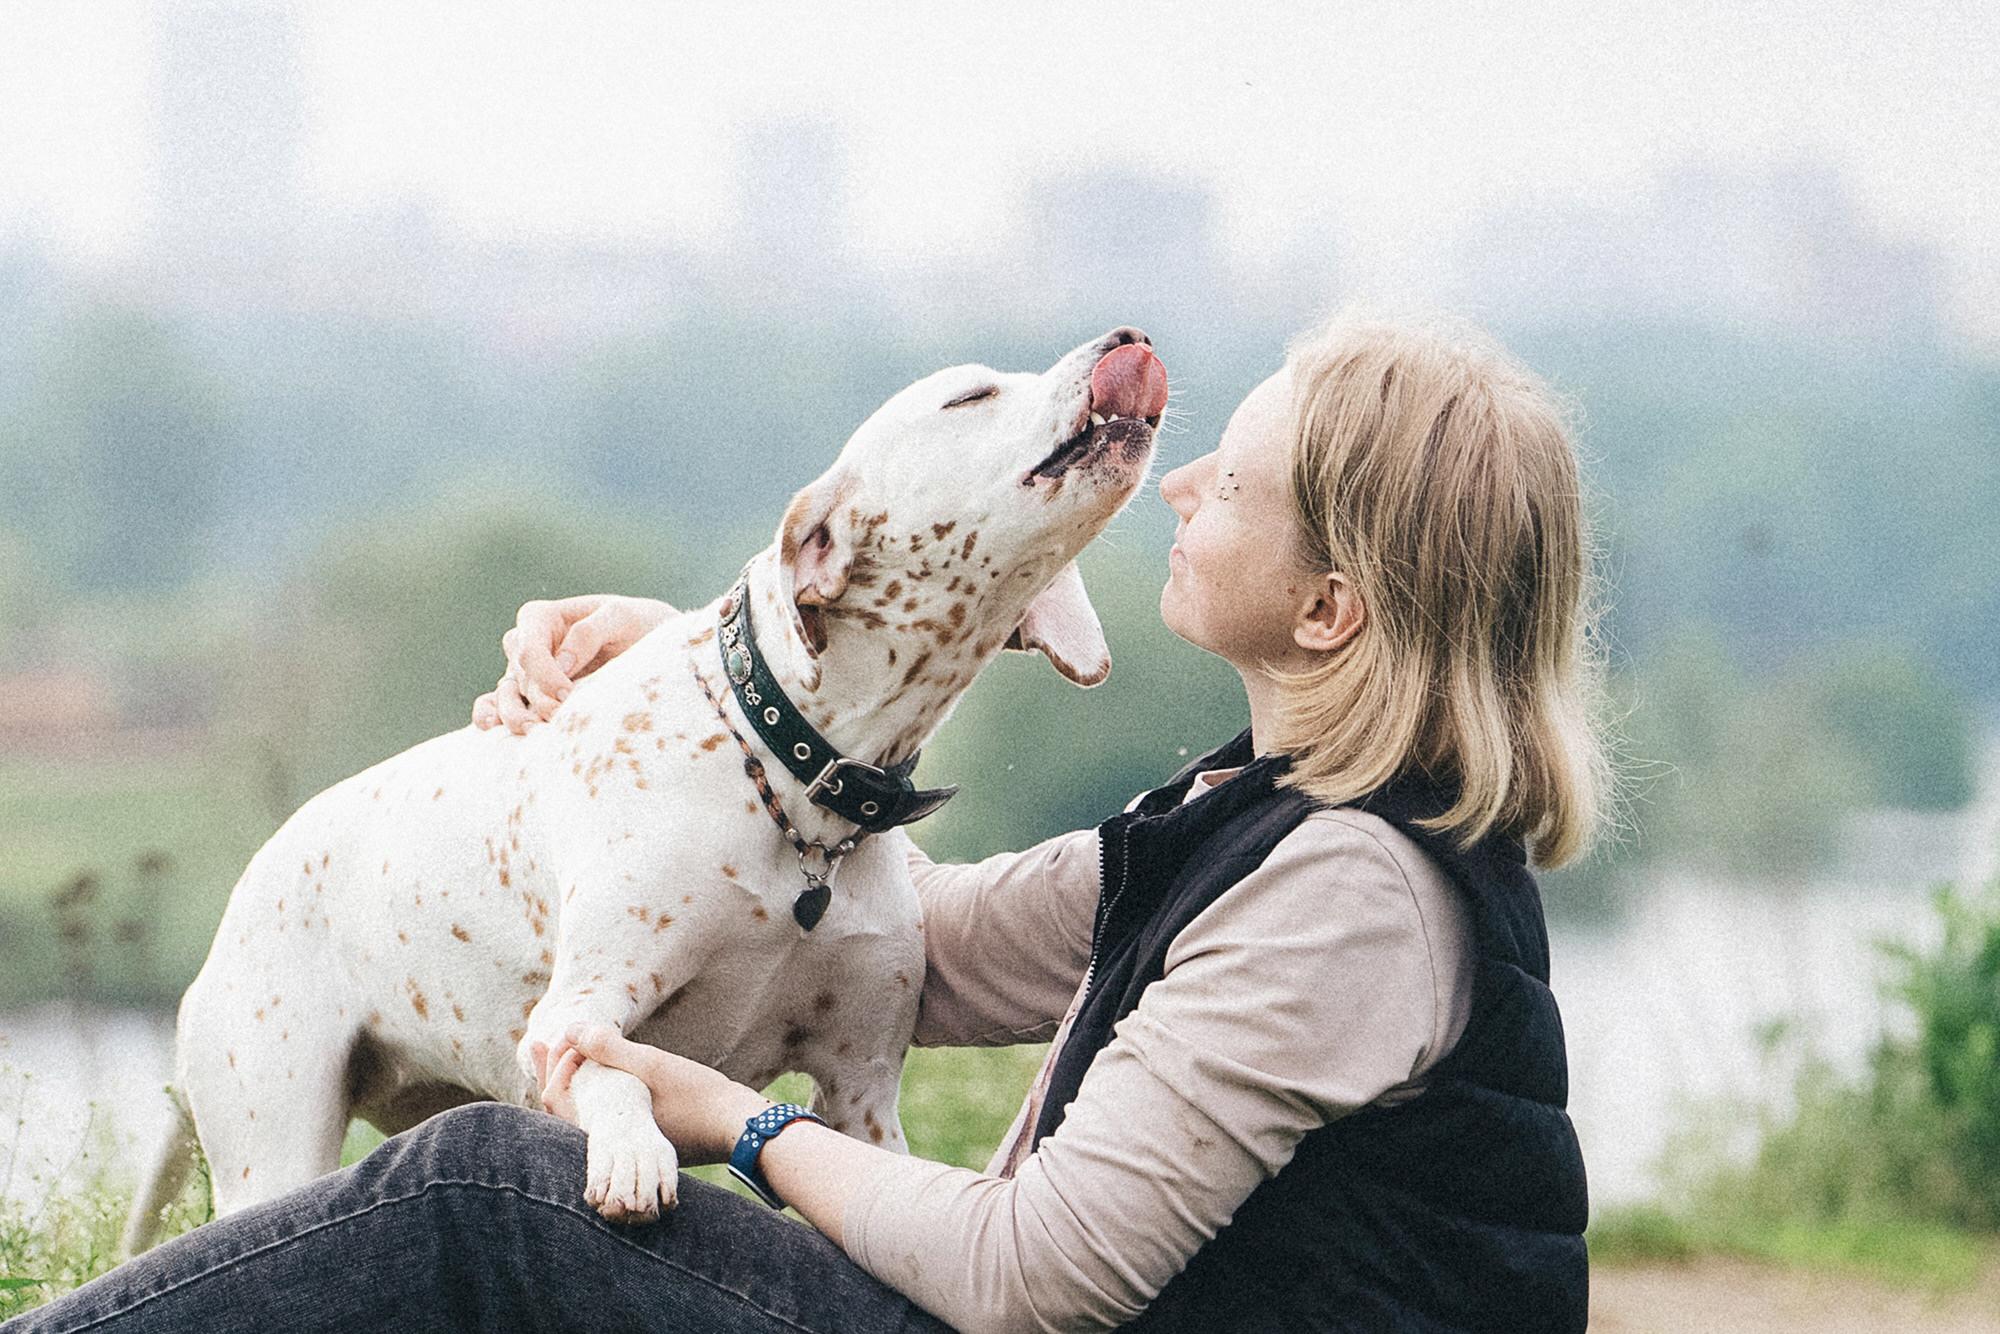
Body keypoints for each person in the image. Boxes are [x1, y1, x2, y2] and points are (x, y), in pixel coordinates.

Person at [9, 309, 1605, 1333]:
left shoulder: (1349, 897)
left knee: (483, 1187)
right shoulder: (1271, 819)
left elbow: (1031, 1273)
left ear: (1328, 607)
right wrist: (707, 699)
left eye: (1234, 487)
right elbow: (912, 935)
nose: (1177, 487)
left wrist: (734, 1121)